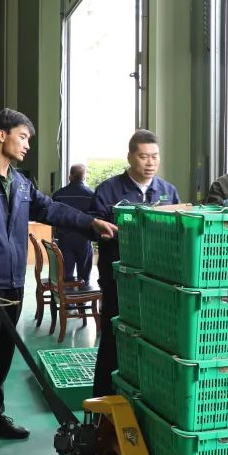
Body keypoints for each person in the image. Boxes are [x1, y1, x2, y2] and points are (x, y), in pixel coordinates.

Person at [0, 108, 118, 455]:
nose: (27, 145)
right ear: (2, 135)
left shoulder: (21, 183)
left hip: (12, 281)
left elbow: (52, 210)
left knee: (2, 356)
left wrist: (91, 224)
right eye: (22, 137)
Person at [89, 129, 180, 396]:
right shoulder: (109, 191)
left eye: (155, 156)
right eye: (143, 156)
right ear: (130, 157)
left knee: (154, 343)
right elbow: (93, 229)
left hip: (156, 283)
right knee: (113, 339)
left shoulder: (168, 192)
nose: (150, 163)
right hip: (119, 282)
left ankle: (145, 397)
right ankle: (103, 400)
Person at [51, 163, 95, 285]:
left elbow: (53, 218)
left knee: (65, 278)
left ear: (70, 176)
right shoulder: (92, 195)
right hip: (84, 240)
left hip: (64, 240)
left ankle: (66, 296)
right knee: (84, 279)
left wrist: (54, 235)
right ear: (84, 177)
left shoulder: (58, 194)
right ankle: (82, 295)